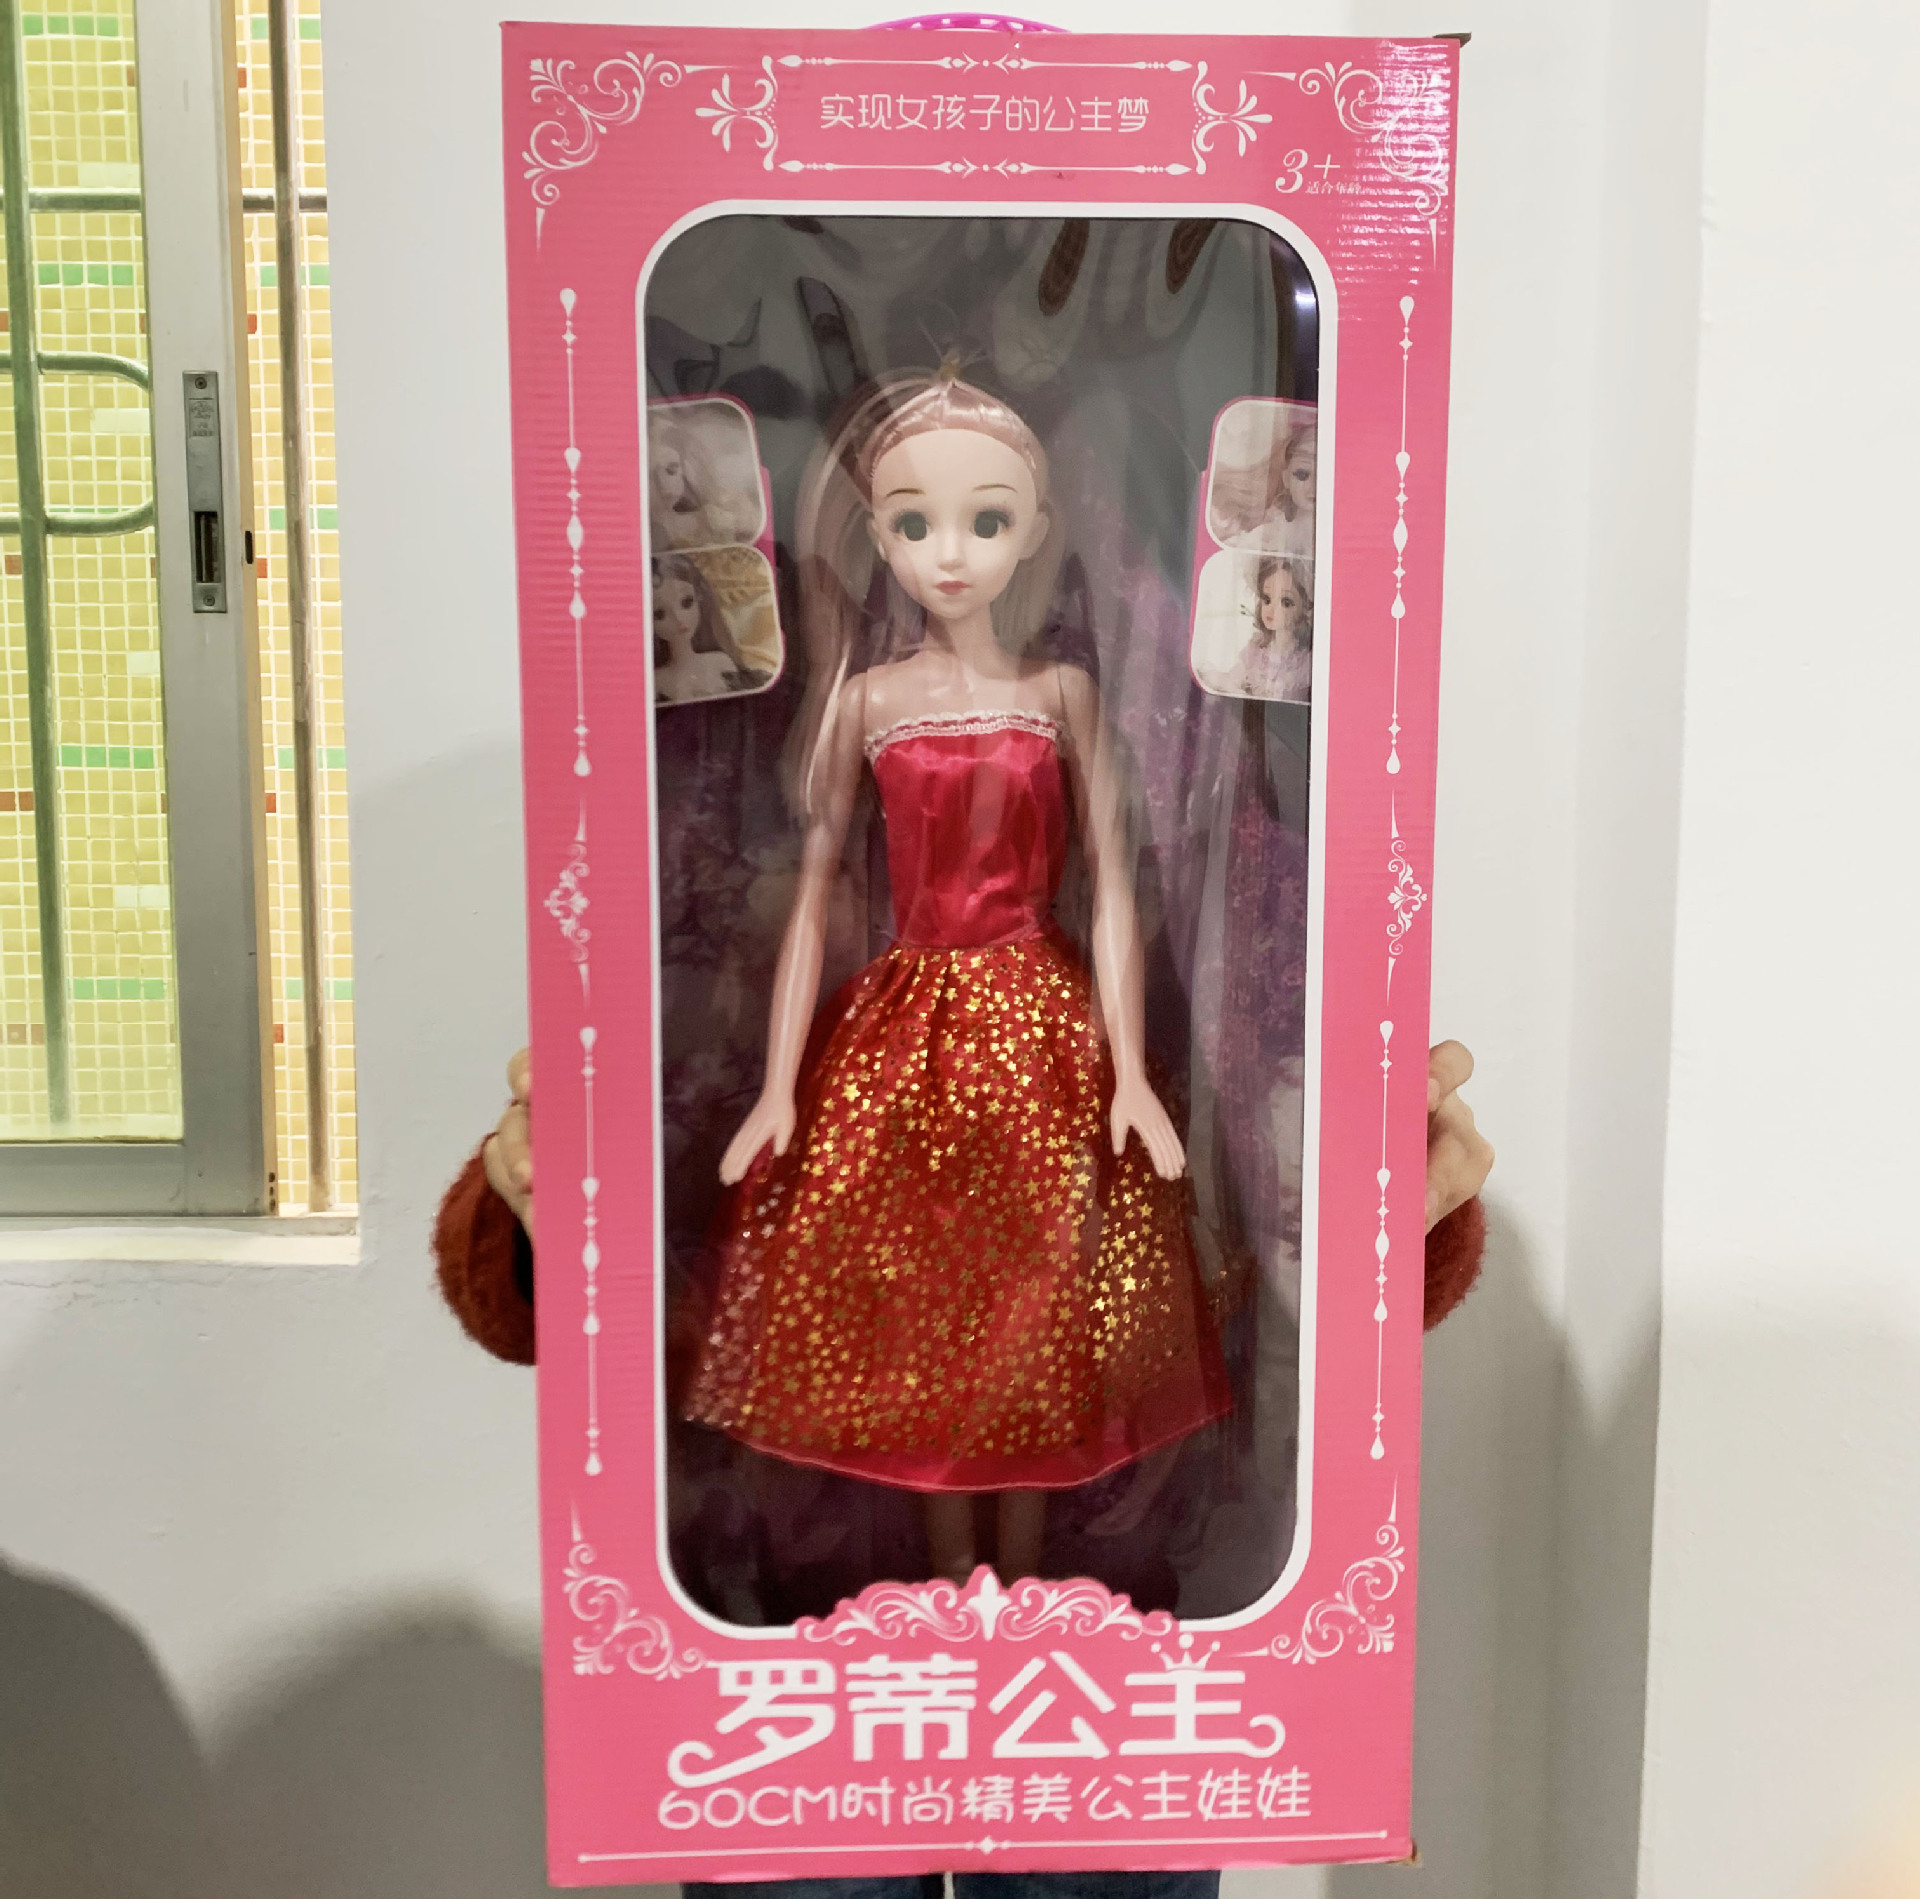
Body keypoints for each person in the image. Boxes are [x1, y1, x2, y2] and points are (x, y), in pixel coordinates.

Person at [652, 553, 758, 705]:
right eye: (659, 614)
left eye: (687, 602)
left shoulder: (720, 663)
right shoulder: (656, 680)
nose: (679, 619)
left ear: (700, 598)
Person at [1233, 556, 1313, 702]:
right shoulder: (1255, 650)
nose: (1272, 609)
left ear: (1305, 608)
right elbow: (1235, 679)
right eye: (1267, 599)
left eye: (1286, 602)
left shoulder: (1305, 663)